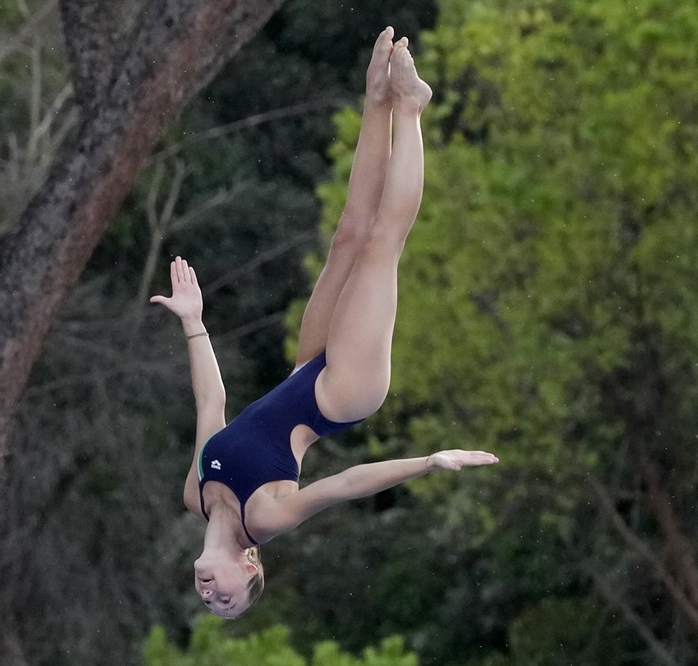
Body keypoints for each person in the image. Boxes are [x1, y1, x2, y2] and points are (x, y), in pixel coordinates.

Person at [150, 28, 498, 619]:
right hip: (341, 394)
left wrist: (193, 323)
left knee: (348, 239)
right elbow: (345, 484)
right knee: (379, 248)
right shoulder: (266, 517)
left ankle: (378, 100)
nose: (211, 595)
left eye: (208, 600)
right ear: (251, 566)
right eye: (228, 598)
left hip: (305, 372)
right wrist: (429, 462)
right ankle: (412, 108)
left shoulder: (196, 495)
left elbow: (212, 403)